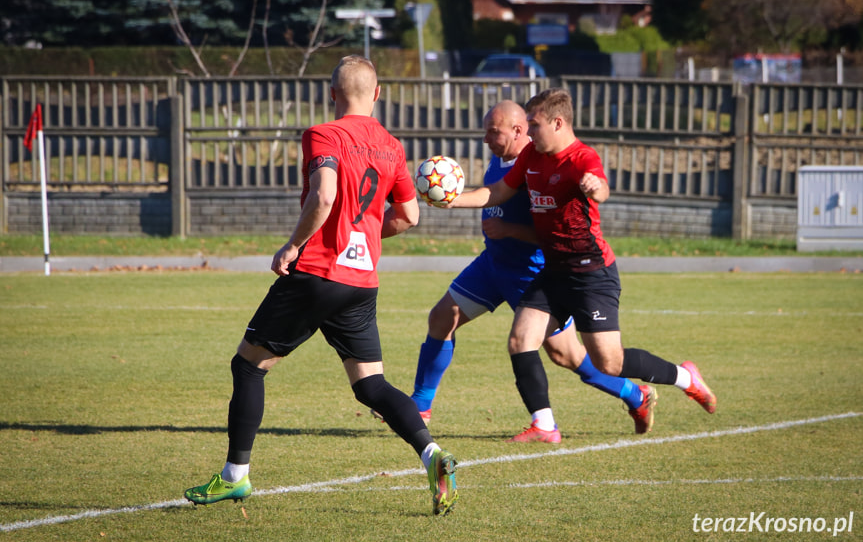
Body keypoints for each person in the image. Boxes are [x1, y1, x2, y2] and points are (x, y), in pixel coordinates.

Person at [184, 55, 458, 517]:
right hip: (361, 281)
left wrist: (293, 245)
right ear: (376, 94)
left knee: (249, 365)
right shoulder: (392, 146)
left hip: (317, 273)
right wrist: (367, 233)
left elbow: (325, 195)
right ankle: (432, 456)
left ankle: (234, 477)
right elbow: (409, 216)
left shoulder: (324, 134)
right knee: (371, 385)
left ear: (332, 94)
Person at [446, 88, 717, 423]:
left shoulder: (583, 158)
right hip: (552, 272)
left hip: (590, 273)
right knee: (520, 340)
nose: (529, 131)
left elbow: (602, 188)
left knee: (609, 362)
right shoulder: (532, 156)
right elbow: (498, 192)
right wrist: (451, 199)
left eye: (535, 124)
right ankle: (544, 426)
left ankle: (685, 377)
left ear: (558, 123)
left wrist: (595, 187)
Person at [410, 100, 657, 442]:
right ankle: (420, 406)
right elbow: (491, 195)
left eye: (492, 132)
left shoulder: (535, 164)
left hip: (530, 271)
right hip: (493, 264)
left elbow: (552, 232)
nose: (485, 139)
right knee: (441, 317)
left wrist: (512, 231)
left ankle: (635, 395)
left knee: (567, 355)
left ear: (518, 130)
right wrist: (452, 199)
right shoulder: (501, 160)